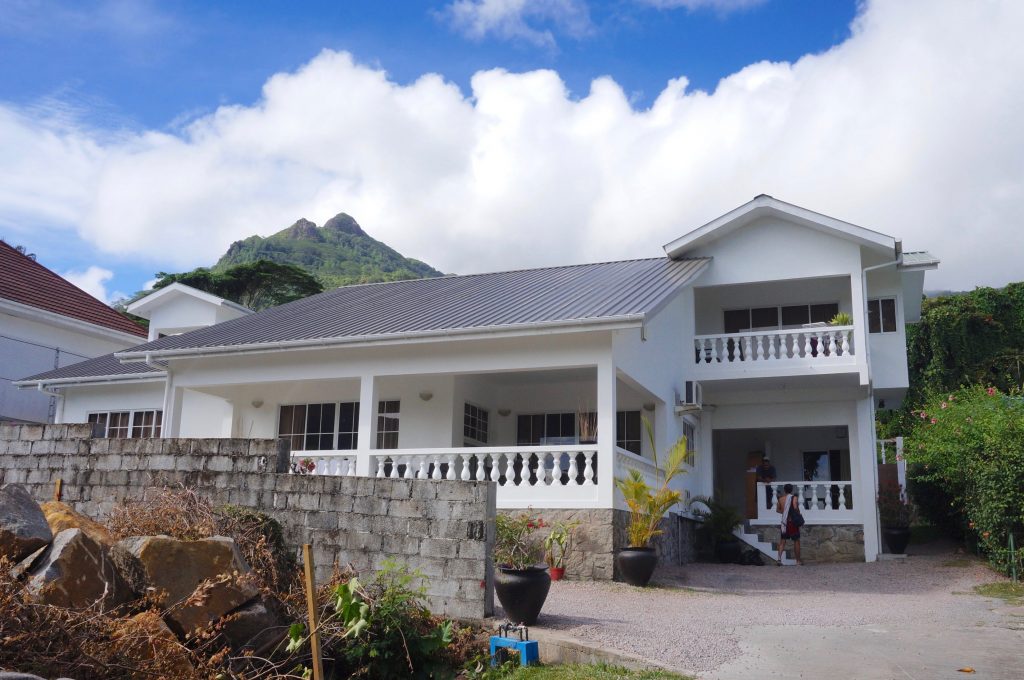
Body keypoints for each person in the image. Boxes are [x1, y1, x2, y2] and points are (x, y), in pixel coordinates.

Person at [776, 483, 803, 565]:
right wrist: (799, 513)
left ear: (784, 490)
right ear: (791, 490)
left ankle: (779, 559)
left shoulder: (780, 499)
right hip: (792, 522)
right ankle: (798, 561)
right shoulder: (793, 498)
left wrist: (785, 512)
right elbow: (795, 507)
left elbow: (778, 510)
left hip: (784, 522)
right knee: (796, 541)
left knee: (782, 541)